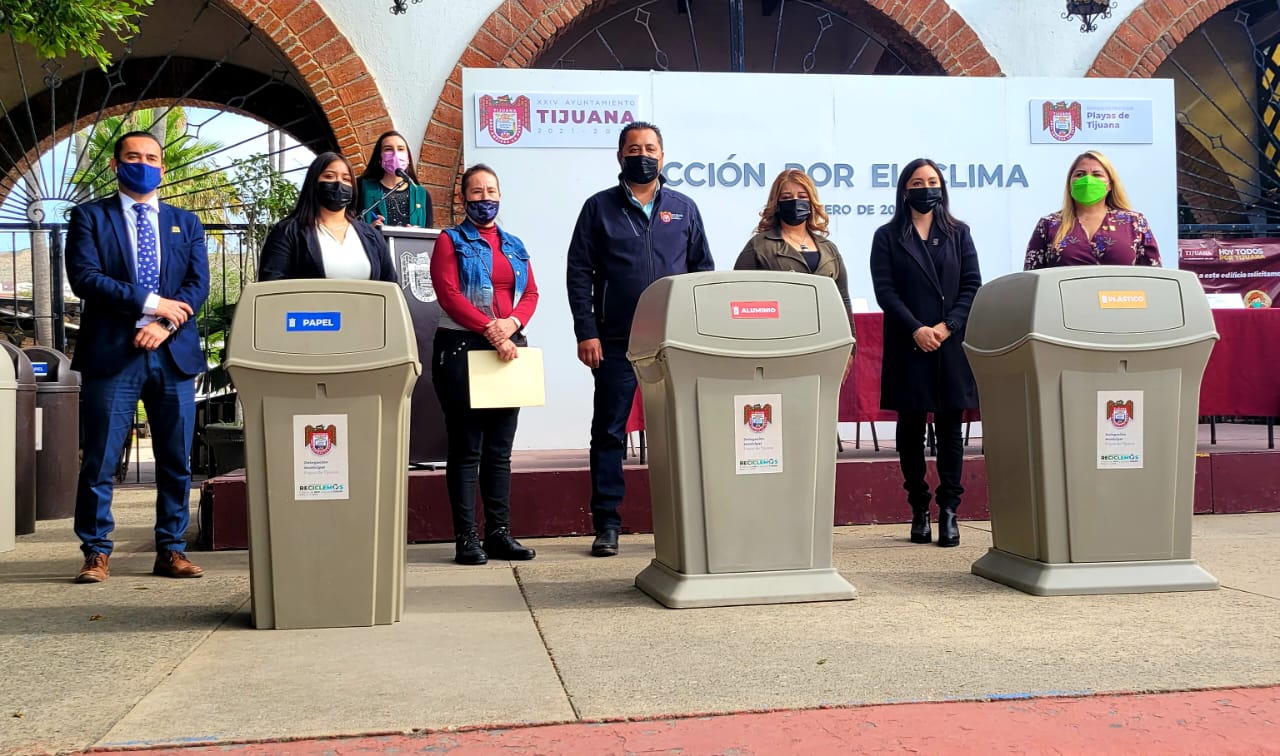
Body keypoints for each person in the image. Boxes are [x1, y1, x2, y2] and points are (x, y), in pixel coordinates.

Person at [65, 130, 210, 582]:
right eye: (133, 156)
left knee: (176, 459)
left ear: (162, 168)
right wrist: (152, 303)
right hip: (113, 354)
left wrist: (164, 324)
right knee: (100, 458)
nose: (142, 163)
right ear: (115, 165)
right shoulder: (90, 217)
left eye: (151, 157)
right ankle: (96, 551)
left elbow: (197, 285)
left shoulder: (185, 223)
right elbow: (85, 277)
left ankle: (171, 549)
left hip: (172, 355)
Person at [566, 121, 714, 557]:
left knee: (681, 429)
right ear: (620, 156)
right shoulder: (599, 208)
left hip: (673, 342)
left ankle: (685, 517)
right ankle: (607, 523)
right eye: (634, 149)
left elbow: (701, 271)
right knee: (610, 431)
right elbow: (579, 273)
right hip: (615, 339)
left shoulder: (684, 208)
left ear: (663, 156)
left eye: (650, 148)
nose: (642, 155)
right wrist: (586, 331)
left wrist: (696, 329)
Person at [869, 157, 982, 548]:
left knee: (951, 429)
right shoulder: (887, 235)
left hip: (950, 343)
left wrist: (947, 326)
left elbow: (972, 285)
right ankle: (919, 509)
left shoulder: (959, 233)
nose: (926, 187)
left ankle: (949, 511)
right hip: (908, 341)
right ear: (905, 190)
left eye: (933, 181)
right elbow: (885, 291)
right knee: (911, 429)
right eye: (918, 182)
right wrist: (916, 328)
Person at [430, 164, 540, 565]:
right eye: (476, 192)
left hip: (509, 348)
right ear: (463, 198)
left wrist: (512, 323)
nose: (484, 198)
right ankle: (467, 539)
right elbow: (449, 294)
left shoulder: (514, 243)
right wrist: (491, 329)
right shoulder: (450, 240)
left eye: (491, 190)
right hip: (462, 348)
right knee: (466, 449)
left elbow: (530, 292)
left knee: (499, 451)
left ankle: (498, 534)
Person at [734, 167, 855, 339]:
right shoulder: (760, 246)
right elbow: (739, 297)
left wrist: (850, 344)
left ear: (812, 202)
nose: (795, 202)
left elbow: (843, 299)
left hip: (826, 340)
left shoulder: (829, 248)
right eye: (787, 197)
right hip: (778, 339)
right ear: (776, 203)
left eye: (802, 196)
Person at [259, 152, 398, 282]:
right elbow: (271, 287)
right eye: (329, 176)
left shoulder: (372, 236)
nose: (339, 184)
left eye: (346, 179)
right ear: (314, 182)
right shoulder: (287, 232)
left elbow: (391, 286)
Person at [1024, 150, 1160, 270]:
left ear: (1110, 185)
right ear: (1070, 183)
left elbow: (1153, 276)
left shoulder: (1134, 223)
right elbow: (1033, 281)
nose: (1088, 180)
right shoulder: (1049, 225)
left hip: (1121, 298)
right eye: (1080, 174)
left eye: (1097, 174)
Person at [358, 130, 433, 229]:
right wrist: (369, 229)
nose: (395, 155)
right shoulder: (363, 188)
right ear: (379, 158)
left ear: (408, 158)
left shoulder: (421, 194)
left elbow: (429, 234)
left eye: (401, 149)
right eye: (388, 149)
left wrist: (417, 234)